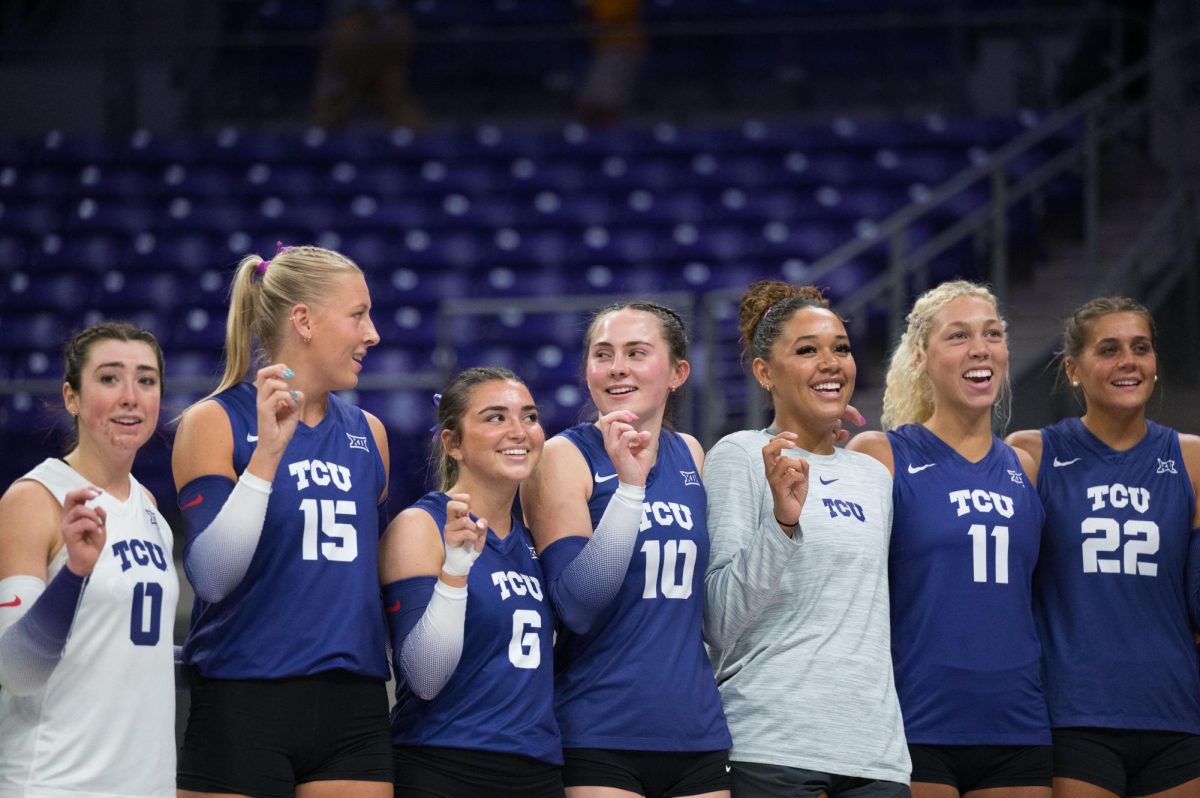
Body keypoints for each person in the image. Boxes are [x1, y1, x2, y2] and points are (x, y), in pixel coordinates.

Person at [173, 244, 392, 797]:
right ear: (304, 321)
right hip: (243, 698)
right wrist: (267, 455)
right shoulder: (215, 421)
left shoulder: (372, 433)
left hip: (354, 705)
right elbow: (213, 576)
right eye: (358, 314)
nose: (374, 334)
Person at [704, 280, 910, 797]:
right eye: (807, 350)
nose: (831, 362)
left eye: (841, 348)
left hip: (876, 751)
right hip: (772, 745)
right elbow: (717, 621)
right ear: (764, 372)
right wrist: (781, 524)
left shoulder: (872, 476)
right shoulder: (741, 455)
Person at [847, 280, 1051, 798]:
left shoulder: (1023, 468)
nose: (980, 348)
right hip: (916, 722)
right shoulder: (881, 454)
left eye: (992, 334)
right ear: (919, 357)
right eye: (958, 336)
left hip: (1018, 721)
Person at [523, 300, 731, 798]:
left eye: (637, 353)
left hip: (695, 728)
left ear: (678, 372)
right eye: (603, 354)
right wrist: (630, 491)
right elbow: (577, 606)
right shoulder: (562, 457)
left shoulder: (691, 453)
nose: (618, 367)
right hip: (600, 728)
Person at [1005, 297, 1200, 798]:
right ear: (1073, 369)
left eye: (1141, 348)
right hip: (1074, 712)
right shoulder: (1032, 454)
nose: (1128, 362)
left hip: (1175, 711)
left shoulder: (1192, 459)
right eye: (1109, 349)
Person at [0, 321, 177, 797]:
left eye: (146, 380)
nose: (130, 397)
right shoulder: (33, 500)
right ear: (71, 397)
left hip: (146, 784)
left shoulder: (151, 510)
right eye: (108, 378)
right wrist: (75, 572)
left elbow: (127, 647)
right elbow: (15, 671)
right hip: (57, 782)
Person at [383, 366, 561, 797]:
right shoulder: (420, 526)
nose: (519, 430)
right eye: (496, 417)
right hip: (445, 765)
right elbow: (424, 678)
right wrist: (455, 571)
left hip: (538, 769)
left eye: (530, 417)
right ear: (453, 443)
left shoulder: (540, 540)